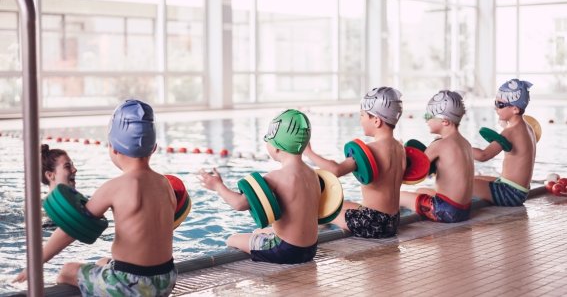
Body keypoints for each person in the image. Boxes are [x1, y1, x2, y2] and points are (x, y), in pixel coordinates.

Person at [14, 99, 178, 296]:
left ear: (113, 148)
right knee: (102, 262)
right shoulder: (164, 184)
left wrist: (34, 264)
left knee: (68, 271)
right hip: (166, 279)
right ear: (153, 148)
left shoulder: (115, 187)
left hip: (131, 285)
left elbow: (70, 230)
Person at [199, 109, 320, 264]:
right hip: (310, 249)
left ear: (277, 147)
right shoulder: (312, 174)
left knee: (233, 239)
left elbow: (239, 203)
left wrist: (218, 186)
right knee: (259, 231)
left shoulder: (275, 177)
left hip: (286, 251)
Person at [303, 87, 406, 238]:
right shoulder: (400, 148)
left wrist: (309, 152)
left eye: (362, 115)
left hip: (373, 223)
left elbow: (336, 170)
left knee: (320, 208)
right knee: (342, 204)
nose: (360, 120)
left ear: (376, 120)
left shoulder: (372, 150)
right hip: (392, 221)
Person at [399, 90, 474, 222]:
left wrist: (399, 152)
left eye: (429, 116)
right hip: (464, 210)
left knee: (398, 196)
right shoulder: (466, 143)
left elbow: (414, 172)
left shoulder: (439, 144)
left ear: (445, 121)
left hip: (446, 210)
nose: (426, 119)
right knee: (422, 190)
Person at [472, 79, 536, 206]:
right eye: (495, 102)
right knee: (474, 178)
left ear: (515, 109)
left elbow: (483, 156)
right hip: (519, 191)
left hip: (510, 193)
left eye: (500, 105)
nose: (496, 108)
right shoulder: (527, 127)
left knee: (461, 182)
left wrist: (460, 147)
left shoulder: (510, 132)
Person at [40, 144, 77, 227]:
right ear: (50, 175)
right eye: (67, 166)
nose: (74, 169)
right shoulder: (45, 212)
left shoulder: (75, 202)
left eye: (72, 165)